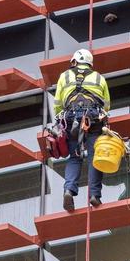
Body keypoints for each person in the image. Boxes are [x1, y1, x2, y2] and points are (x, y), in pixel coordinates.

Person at [51, 48, 111, 212]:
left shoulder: (64, 76)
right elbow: (106, 106)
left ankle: (69, 190)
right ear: (90, 64)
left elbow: (57, 103)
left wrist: (59, 122)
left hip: (71, 121)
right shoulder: (100, 78)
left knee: (75, 157)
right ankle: (94, 195)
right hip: (93, 120)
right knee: (94, 157)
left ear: (75, 61)